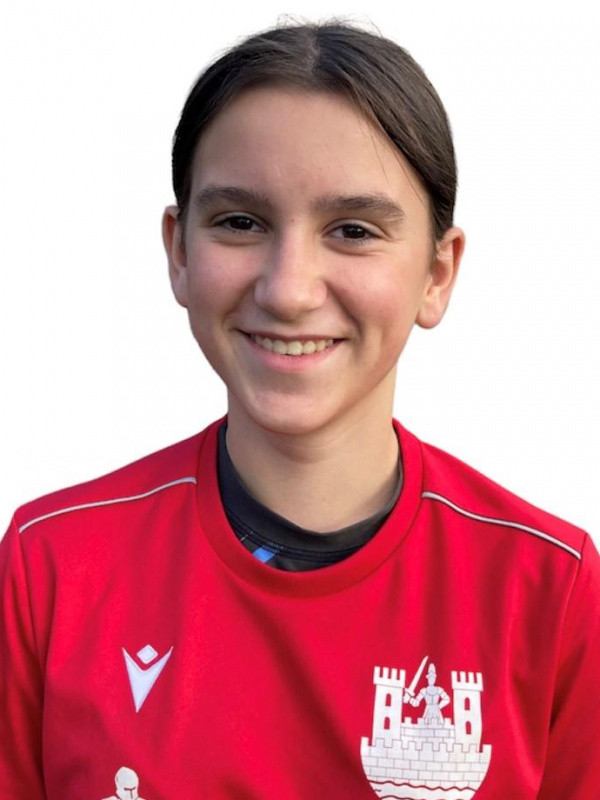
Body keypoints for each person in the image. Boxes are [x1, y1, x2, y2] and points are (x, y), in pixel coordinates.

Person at [1, 18, 599, 800]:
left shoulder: (549, 588)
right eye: (240, 223)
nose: (288, 289)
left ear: (437, 274)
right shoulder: (49, 566)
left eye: (352, 230)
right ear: (179, 252)